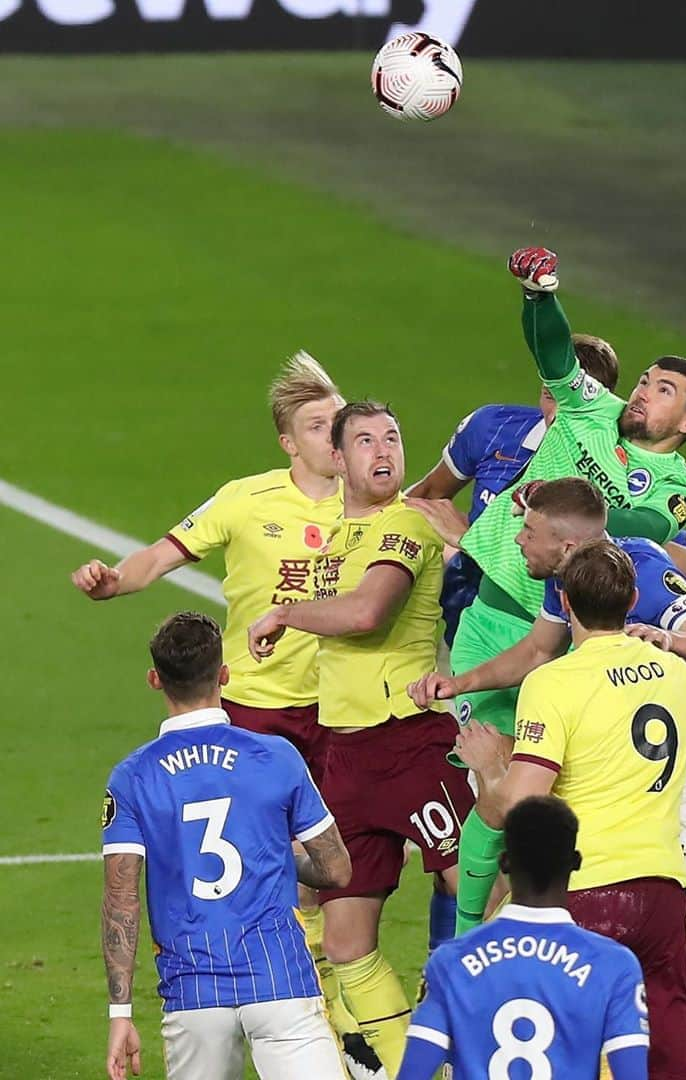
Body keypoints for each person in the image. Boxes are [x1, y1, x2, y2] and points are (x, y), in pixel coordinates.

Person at [410, 477, 686, 1077]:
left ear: (570, 580)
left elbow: (518, 809)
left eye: (528, 530)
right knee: (669, 1015)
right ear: (626, 604)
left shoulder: (561, 682)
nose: (519, 538)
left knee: (538, 1002)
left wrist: (490, 764)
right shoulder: (670, 671)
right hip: (659, 878)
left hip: (596, 875)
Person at [71, 352, 369, 1064]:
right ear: (288, 443)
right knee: (289, 881)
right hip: (261, 713)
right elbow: (160, 555)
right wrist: (113, 583)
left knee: (346, 878)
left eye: (340, 422)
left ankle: (337, 1018)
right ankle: (309, 1026)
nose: (335, 437)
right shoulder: (245, 499)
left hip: (345, 712)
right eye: (317, 426)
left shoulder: (377, 509)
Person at [424, 247, 686, 939]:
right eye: (645, 380)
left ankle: (547, 932)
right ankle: (466, 940)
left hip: (572, 652)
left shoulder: (679, 488)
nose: (644, 391)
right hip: (496, 622)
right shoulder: (591, 408)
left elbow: (645, 523)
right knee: (492, 794)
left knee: (550, 800)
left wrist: (573, 510)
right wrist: (539, 294)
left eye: (664, 390)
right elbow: (554, 353)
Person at [247, 401, 476, 1078]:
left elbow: (367, 612)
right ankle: (413, 1069)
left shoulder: (405, 521)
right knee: (347, 941)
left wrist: (285, 612)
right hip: (344, 759)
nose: (385, 450)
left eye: (394, 438)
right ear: (339, 459)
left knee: (483, 904)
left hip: (411, 744)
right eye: (367, 440)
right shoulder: (329, 533)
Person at [100, 611, 352, 1080]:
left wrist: (121, 1014)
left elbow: (121, 897)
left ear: (155, 680)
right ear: (224, 675)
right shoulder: (275, 756)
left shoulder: (133, 777)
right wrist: (277, 855)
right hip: (280, 980)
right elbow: (337, 869)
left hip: (192, 991)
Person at [397, 797, 649, 1080]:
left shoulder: (450, 962)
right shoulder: (613, 965)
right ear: (575, 863)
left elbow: (413, 1073)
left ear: (504, 862)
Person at [406, 332, 620, 646]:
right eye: (550, 395)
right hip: (469, 612)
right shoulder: (493, 428)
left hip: (553, 632)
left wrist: (468, 539)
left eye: (573, 404)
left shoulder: (614, 470)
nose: (557, 414)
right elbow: (427, 494)